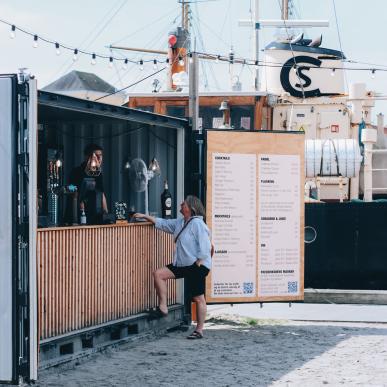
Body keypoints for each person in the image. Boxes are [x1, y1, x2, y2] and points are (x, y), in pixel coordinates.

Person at [134, 195, 212, 339]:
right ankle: (163, 307)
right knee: (158, 274)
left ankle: (199, 330)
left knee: (198, 298)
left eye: (184, 204)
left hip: (197, 265)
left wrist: (198, 264)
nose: (181, 205)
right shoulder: (181, 222)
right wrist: (145, 216)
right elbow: (163, 223)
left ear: (191, 208)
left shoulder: (197, 224)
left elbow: (206, 247)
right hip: (182, 263)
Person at [69, 143, 108, 224]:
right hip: (77, 215)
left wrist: (106, 213)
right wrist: (74, 189)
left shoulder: (98, 174)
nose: (99, 158)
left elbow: (101, 192)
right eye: (96, 156)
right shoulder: (76, 172)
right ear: (87, 157)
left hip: (94, 215)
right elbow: (71, 188)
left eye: (100, 155)